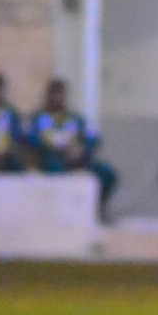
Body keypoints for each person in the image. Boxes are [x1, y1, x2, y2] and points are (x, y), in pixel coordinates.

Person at [30, 77, 118, 221]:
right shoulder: (39, 118)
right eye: (54, 95)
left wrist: (82, 150)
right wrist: (50, 145)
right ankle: (61, 214)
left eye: (60, 95)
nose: (57, 99)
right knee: (57, 172)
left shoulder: (75, 119)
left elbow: (93, 137)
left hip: (76, 158)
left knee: (106, 172)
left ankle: (98, 207)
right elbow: (30, 138)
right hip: (52, 158)